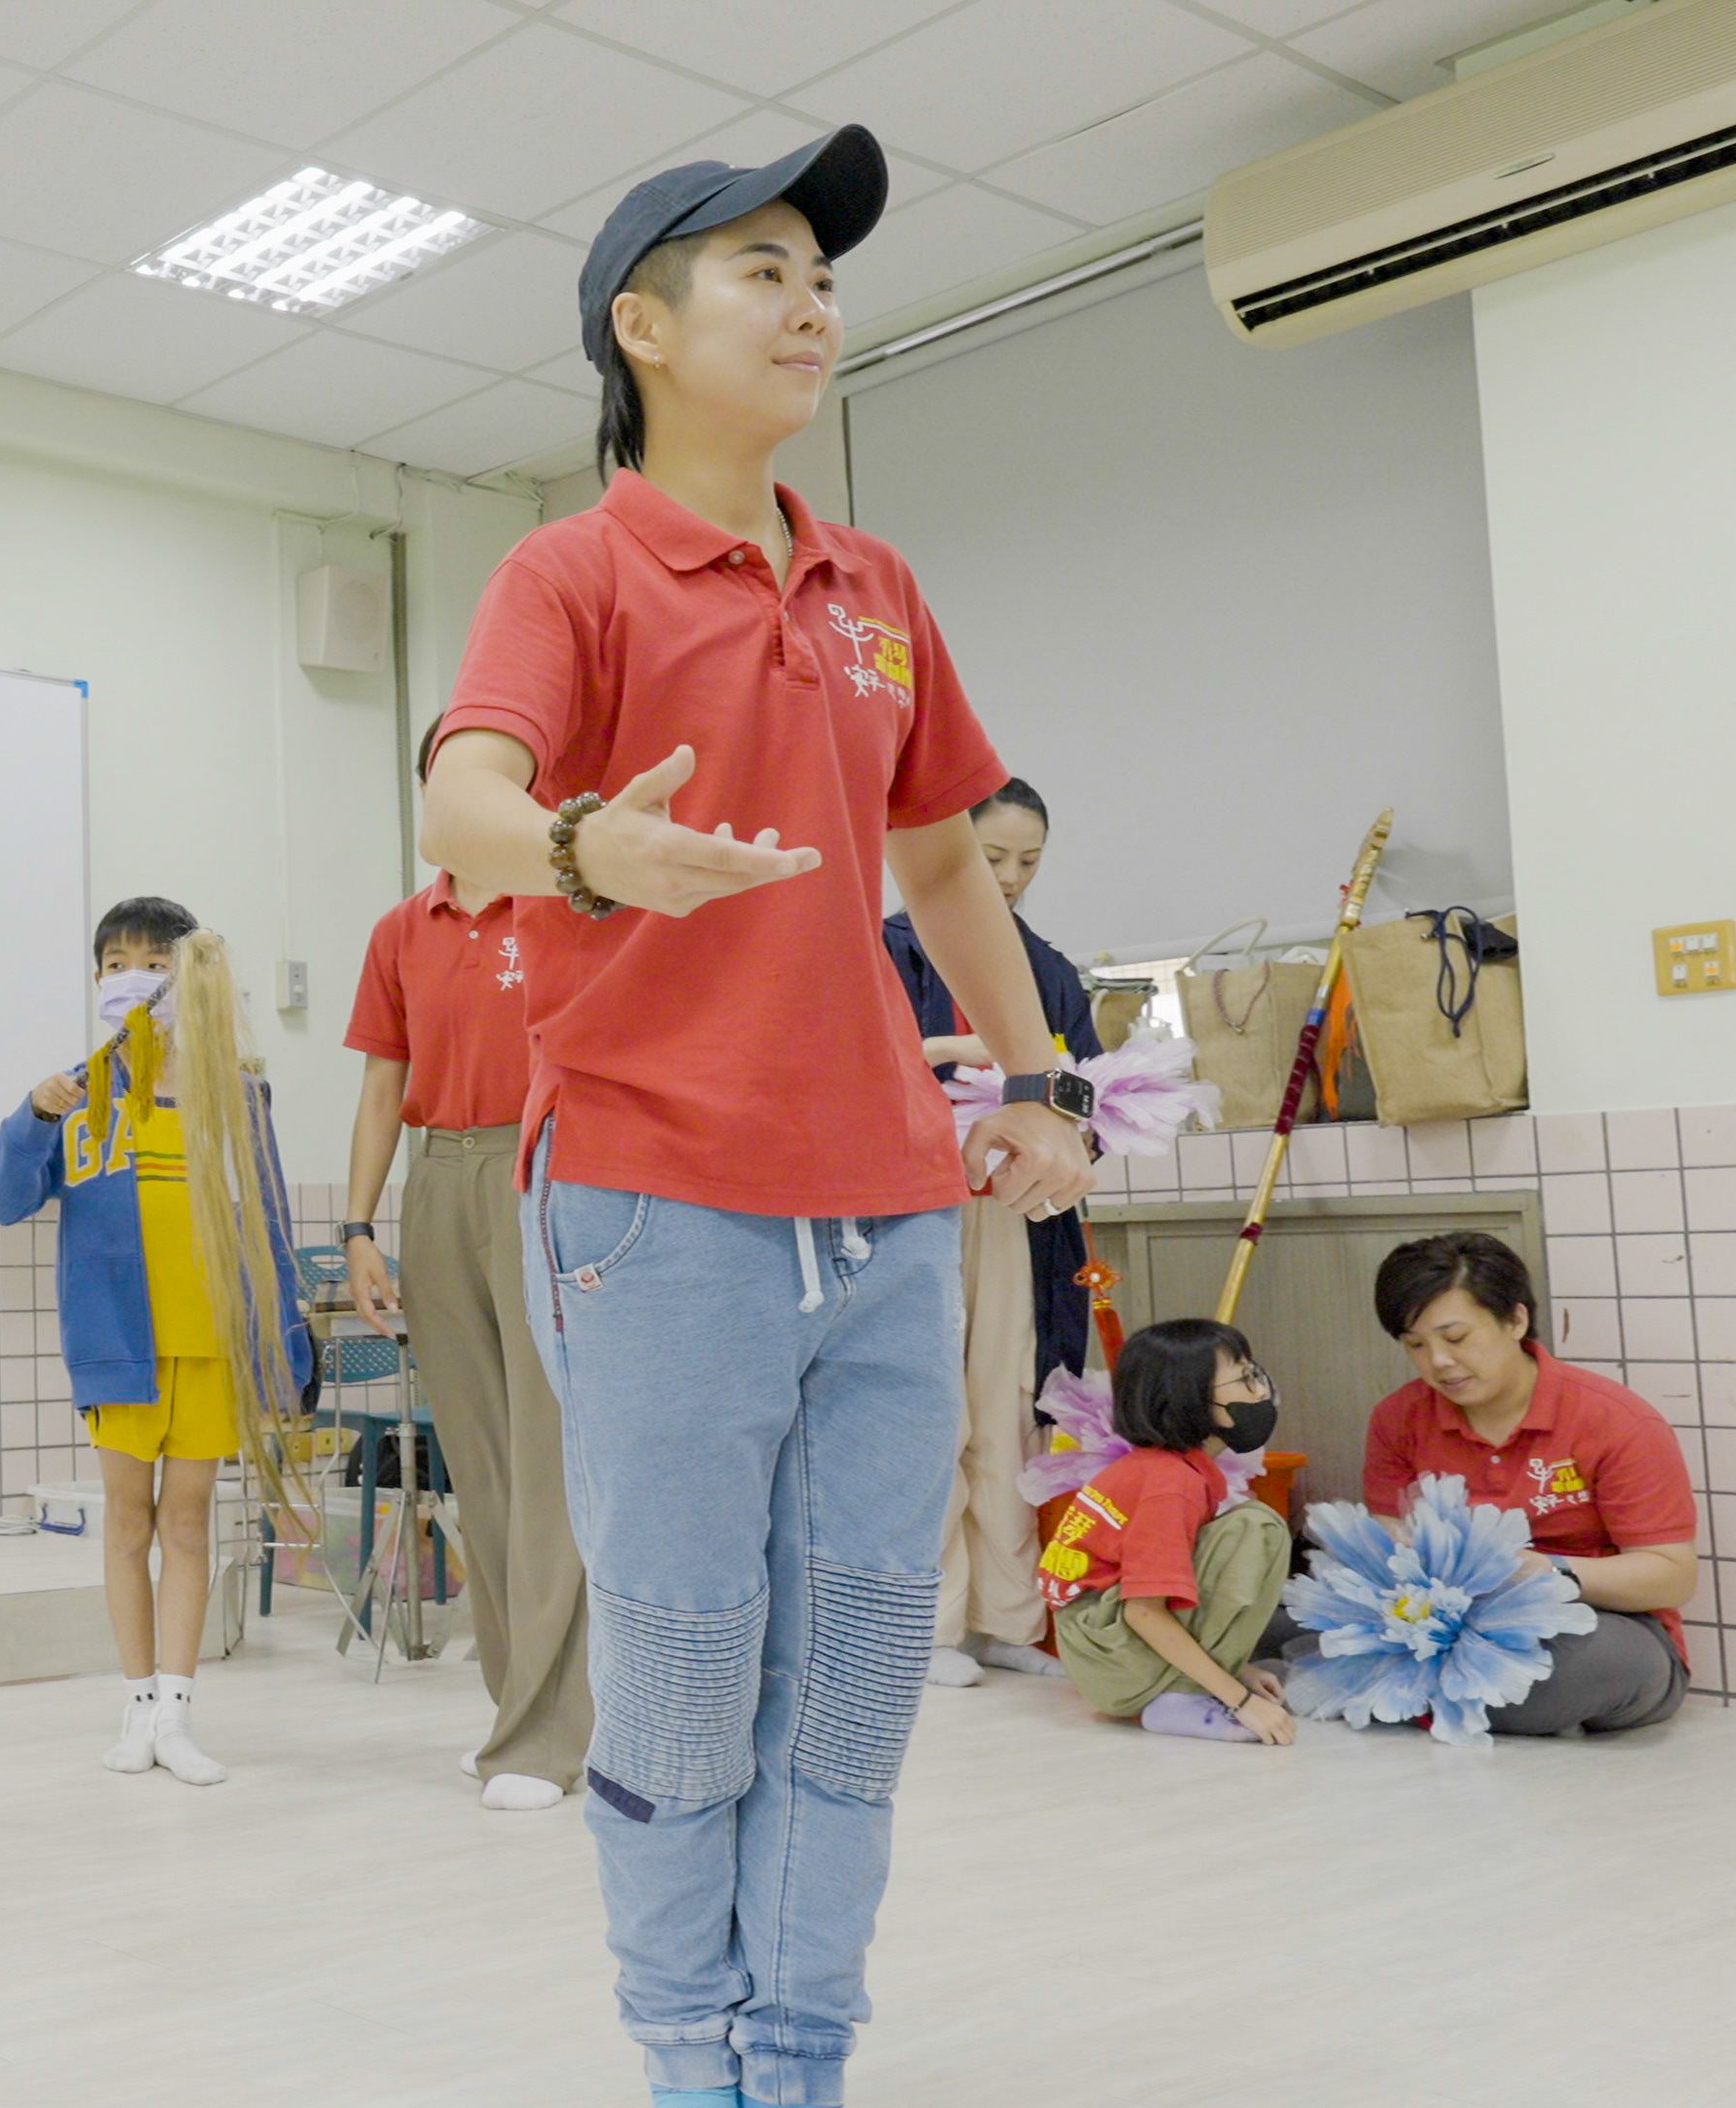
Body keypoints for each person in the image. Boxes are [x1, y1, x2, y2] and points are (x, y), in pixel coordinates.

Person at [417, 127, 1099, 2108]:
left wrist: (1040, 1079)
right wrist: (578, 844)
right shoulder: (574, 569)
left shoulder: (873, 585)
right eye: (762, 271)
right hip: (656, 1204)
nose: (812, 302)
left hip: (885, 1208)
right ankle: (682, 2055)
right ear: (642, 328)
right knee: (696, 1663)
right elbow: (461, 797)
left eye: (823, 272)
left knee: (865, 1666)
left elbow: (951, 863)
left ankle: (795, 2053)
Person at [0, 897, 313, 1786]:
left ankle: (178, 1708)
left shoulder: (236, 1095)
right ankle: (134, 1706)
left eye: (156, 962)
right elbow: (0, 1199)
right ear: (97, 979)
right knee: (127, 1521)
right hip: (117, 1344)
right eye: (117, 960)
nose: (136, 976)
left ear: (190, 974)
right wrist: (33, 1116)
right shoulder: (79, 1093)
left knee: (191, 1520)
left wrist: (287, 1349)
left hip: (210, 1347)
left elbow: (272, 1224)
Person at [340, 727, 591, 1811]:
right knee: (478, 1469)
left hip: (553, 1172)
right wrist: (357, 1227)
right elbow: (381, 1084)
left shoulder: (573, 906)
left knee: (547, 1468)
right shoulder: (403, 930)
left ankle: (546, 1735)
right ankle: (514, 1709)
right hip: (441, 1179)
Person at [881, 777, 1099, 1687]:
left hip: (1015, 1213)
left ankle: (1005, 1616)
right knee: (927, 1409)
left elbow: (1087, 1083)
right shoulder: (885, 946)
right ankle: (929, 1625)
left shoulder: (1045, 966)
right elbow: (858, 1057)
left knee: (1010, 1403)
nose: (1008, 878)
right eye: (992, 858)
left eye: (1028, 863)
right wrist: (956, 1055)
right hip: (910, 1200)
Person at [1360, 1231, 1700, 1736]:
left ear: (1516, 1319)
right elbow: (1382, 1536)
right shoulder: (1398, 1418)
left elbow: (1671, 1575)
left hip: (1592, 1623)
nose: (1439, 1363)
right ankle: (1447, 1698)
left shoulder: (1616, 1420)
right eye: (1416, 1346)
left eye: (1455, 1339)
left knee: (1588, 1665)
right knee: (1290, 1623)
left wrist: (1544, 1572)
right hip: (1446, 1629)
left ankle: (1416, 1700)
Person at [1036, 1321, 1298, 1745]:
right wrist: (1239, 1700)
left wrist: (1237, 1666)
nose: (1260, 1390)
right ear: (1191, 1400)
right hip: (1112, 1659)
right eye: (1244, 1378)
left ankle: (1188, 1683)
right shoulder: (1169, 1485)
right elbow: (1145, 1611)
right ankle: (1182, 1699)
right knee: (1256, 1528)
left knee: (1237, 1528)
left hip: (1099, 1644)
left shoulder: (1165, 1469)